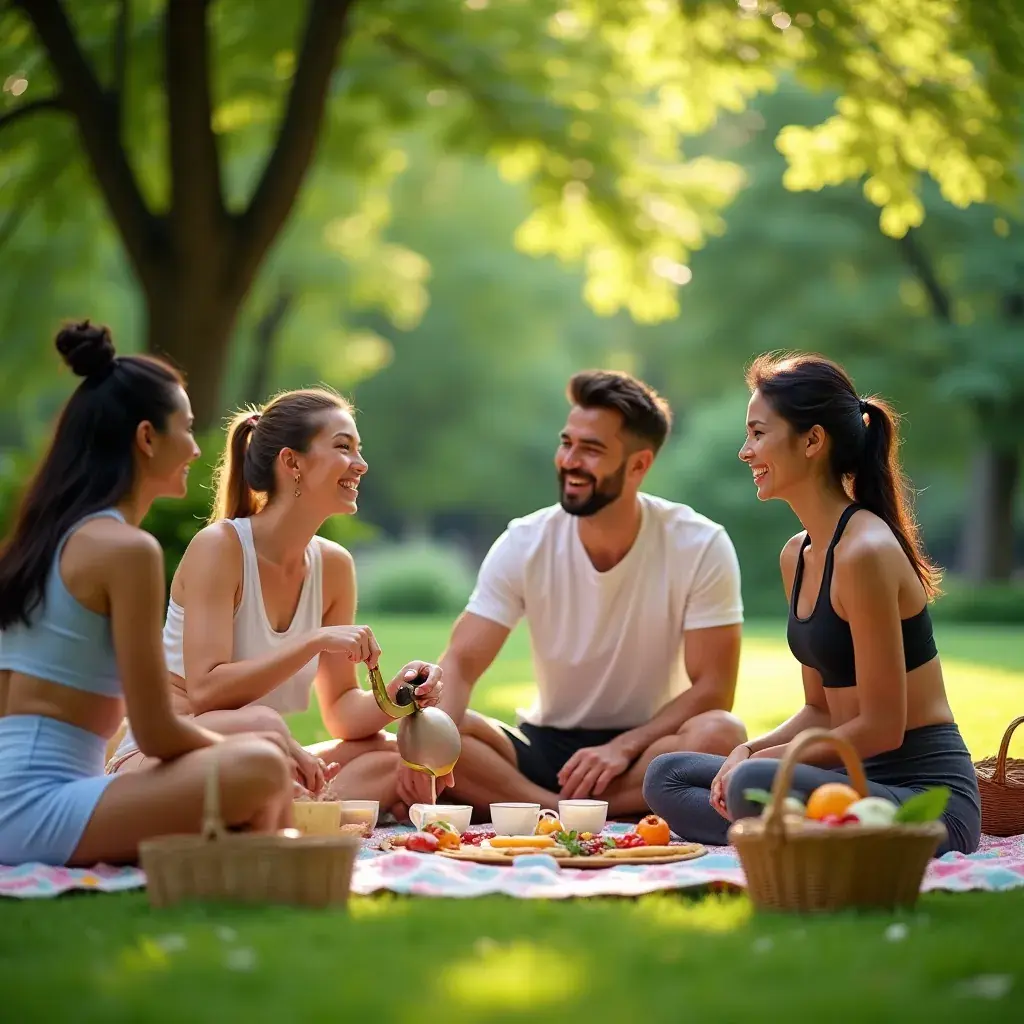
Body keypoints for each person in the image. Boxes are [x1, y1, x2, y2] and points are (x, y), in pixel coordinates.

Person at [643, 352, 982, 855]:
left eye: (758, 434)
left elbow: (884, 727)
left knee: (748, 783)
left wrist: (766, 765)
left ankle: (781, 834)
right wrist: (748, 748)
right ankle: (790, 838)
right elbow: (819, 709)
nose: (745, 451)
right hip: (843, 785)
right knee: (667, 775)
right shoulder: (796, 557)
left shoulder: (865, 552)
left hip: (924, 801)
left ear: (812, 441)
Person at [0, 322, 293, 867]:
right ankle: (257, 874)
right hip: (36, 814)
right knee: (262, 767)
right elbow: (156, 732)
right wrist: (256, 754)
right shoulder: (125, 550)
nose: (194, 445)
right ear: (146, 438)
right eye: (185, 427)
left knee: (257, 761)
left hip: (23, 800)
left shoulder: (38, 543)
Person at [396, 369, 747, 818]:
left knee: (720, 732)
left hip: (648, 748)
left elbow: (715, 688)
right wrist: (432, 745)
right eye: (567, 443)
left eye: (592, 449)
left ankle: (539, 810)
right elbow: (462, 661)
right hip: (543, 748)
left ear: (639, 465)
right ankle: (566, 810)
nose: (569, 460)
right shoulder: (525, 540)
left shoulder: (700, 543)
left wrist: (624, 746)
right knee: (445, 726)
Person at [106, 387, 446, 816]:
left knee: (388, 752)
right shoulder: (221, 548)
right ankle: (298, 808)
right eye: (344, 447)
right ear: (292, 462)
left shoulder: (334, 566)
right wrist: (312, 641)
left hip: (257, 749)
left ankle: (293, 808)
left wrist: (401, 693)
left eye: (359, 450)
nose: (361, 464)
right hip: (167, 755)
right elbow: (206, 691)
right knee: (264, 728)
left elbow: (341, 712)